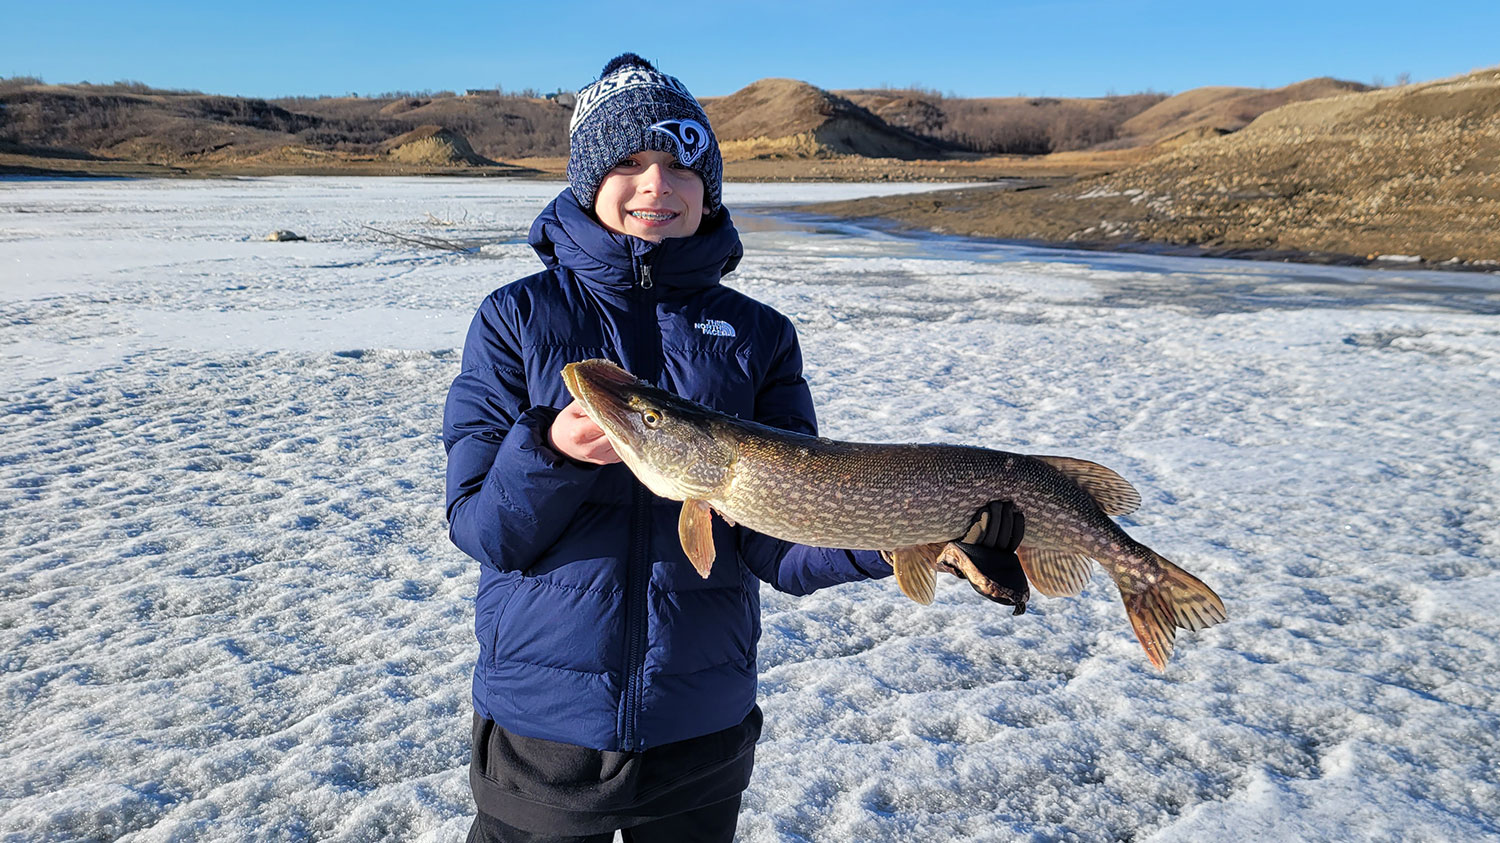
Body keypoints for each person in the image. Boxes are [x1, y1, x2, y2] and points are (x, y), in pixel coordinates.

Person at [442, 53, 1028, 843]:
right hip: (543, 731)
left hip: (701, 730)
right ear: (587, 178)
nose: (657, 184)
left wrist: (911, 543)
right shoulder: (516, 318)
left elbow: (783, 540)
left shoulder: (759, 336)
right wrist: (550, 449)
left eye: (682, 165)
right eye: (628, 162)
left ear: (710, 187)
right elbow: (486, 529)